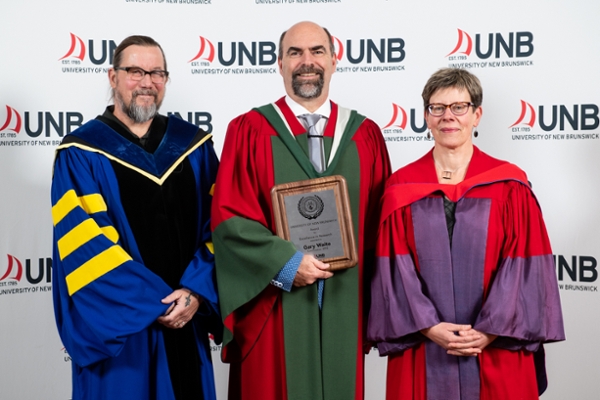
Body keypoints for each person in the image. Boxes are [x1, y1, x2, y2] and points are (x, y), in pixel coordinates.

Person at [211, 21, 391, 400]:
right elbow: (230, 219)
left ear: (334, 60)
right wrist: (287, 263)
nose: (306, 62)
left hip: (346, 298)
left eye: (317, 51)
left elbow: (380, 227)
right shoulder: (248, 130)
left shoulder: (366, 135)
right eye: (295, 53)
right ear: (279, 64)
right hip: (275, 304)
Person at [367, 68, 565, 400]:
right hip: (425, 345)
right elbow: (393, 270)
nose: (448, 117)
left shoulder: (509, 184)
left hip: (496, 343)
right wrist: (429, 326)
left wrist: (489, 328)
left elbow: (523, 265)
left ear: (477, 115)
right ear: (426, 117)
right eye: (437, 108)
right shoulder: (401, 187)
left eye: (459, 107)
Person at [50, 35, 221, 400]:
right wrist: (157, 302)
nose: (147, 82)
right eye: (135, 71)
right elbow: (85, 247)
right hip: (123, 334)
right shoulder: (81, 152)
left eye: (157, 73)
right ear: (112, 77)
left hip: (187, 323)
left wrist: (195, 293)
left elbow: (220, 229)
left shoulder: (194, 147)